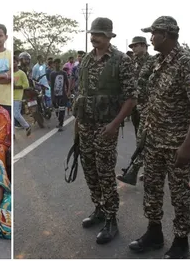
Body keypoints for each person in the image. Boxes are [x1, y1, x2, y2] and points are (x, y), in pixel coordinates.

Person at [129, 16, 190, 258]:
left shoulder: (186, 63)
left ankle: (181, 241)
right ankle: (154, 233)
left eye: (154, 34)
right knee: (151, 188)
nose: (150, 38)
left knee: (179, 193)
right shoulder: (156, 62)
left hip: (176, 143)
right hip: (153, 141)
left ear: (167, 35)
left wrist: (188, 144)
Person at [75, 17, 135, 244]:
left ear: (109, 36)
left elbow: (131, 97)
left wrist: (114, 124)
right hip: (85, 125)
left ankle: (112, 219)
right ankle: (99, 208)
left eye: (99, 34)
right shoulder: (87, 59)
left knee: (105, 172)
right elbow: (82, 92)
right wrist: (77, 123)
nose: (94, 37)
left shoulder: (121, 61)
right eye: (92, 33)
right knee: (89, 170)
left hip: (105, 127)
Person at [116, 36, 154, 185]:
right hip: (136, 107)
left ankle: (134, 171)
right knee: (143, 140)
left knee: (143, 140)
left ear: (144, 46)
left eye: (136, 46)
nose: (134, 49)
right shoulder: (133, 63)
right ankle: (149, 171)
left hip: (148, 107)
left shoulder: (153, 62)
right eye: (132, 47)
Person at [49, 58, 69, 130]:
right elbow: (51, 86)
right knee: (57, 110)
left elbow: (67, 83)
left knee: (62, 109)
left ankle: (61, 124)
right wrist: (52, 96)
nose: (57, 65)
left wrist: (68, 92)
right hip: (55, 95)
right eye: (55, 63)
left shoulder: (64, 73)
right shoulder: (52, 74)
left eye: (58, 63)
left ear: (60, 64)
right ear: (54, 64)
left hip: (62, 95)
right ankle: (59, 121)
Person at [13, 55, 31, 136]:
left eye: (14, 62)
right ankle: (12, 134)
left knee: (16, 114)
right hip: (8, 97)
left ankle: (27, 126)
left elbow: (26, 85)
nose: (12, 64)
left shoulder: (21, 73)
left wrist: (16, 87)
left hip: (17, 97)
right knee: (11, 116)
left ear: (17, 63)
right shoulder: (8, 73)